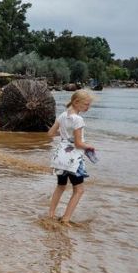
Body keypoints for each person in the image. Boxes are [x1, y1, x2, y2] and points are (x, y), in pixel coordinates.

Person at [47, 90, 96, 225]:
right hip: (73, 159)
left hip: (60, 157)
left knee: (60, 186)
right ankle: (66, 218)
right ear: (76, 102)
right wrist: (89, 147)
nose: (88, 107)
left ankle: (50, 214)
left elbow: (50, 133)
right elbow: (79, 144)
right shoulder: (78, 119)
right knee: (79, 190)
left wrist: (65, 135)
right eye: (86, 104)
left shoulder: (63, 115)